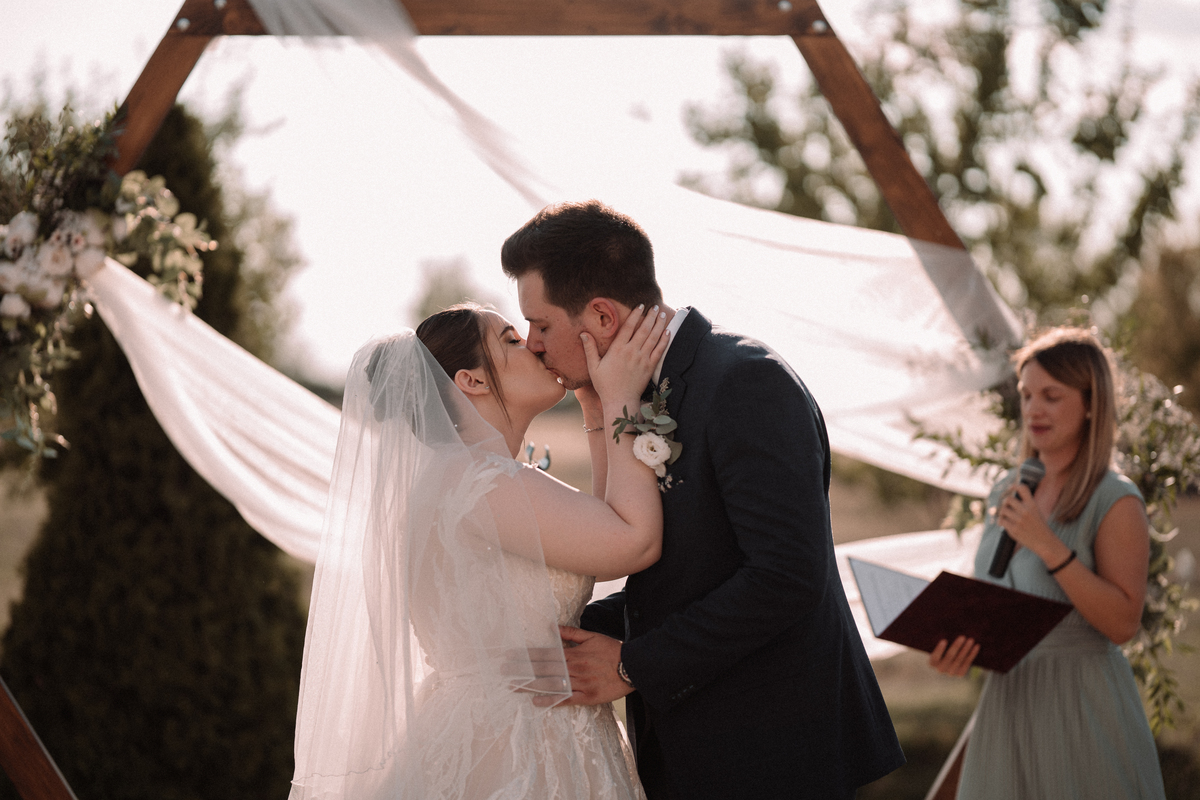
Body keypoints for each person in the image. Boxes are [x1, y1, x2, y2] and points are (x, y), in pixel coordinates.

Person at [501, 200, 905, 799]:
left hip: (771, 748)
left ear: (602, 316)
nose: (533, 344)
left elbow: (788, 575)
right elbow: (683, 572)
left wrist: (632, 664)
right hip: (693, 746)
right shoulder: (634, 393)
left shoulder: (744, 380)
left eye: (540, 325)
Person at [289, 301, 674, 799]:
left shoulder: (457, 478)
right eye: (512, 340)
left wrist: (595, 409)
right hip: (519, 744)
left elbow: (596, 537)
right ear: (471, 381)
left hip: (489, 724)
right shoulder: (484, 484)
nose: (535, 345)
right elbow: (633, 541)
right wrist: (622, 397)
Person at [929, 327, 1167, 799]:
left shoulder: (1115, 500)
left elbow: (1123, 623)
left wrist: (1049, 546)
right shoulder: (1006, 489)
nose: (1033, 409)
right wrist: (960, 648)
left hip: (1081, 707)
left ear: (1091, 403)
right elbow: (994, 604)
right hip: (1007, 706)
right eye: (1027, 395)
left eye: (1051, 396)